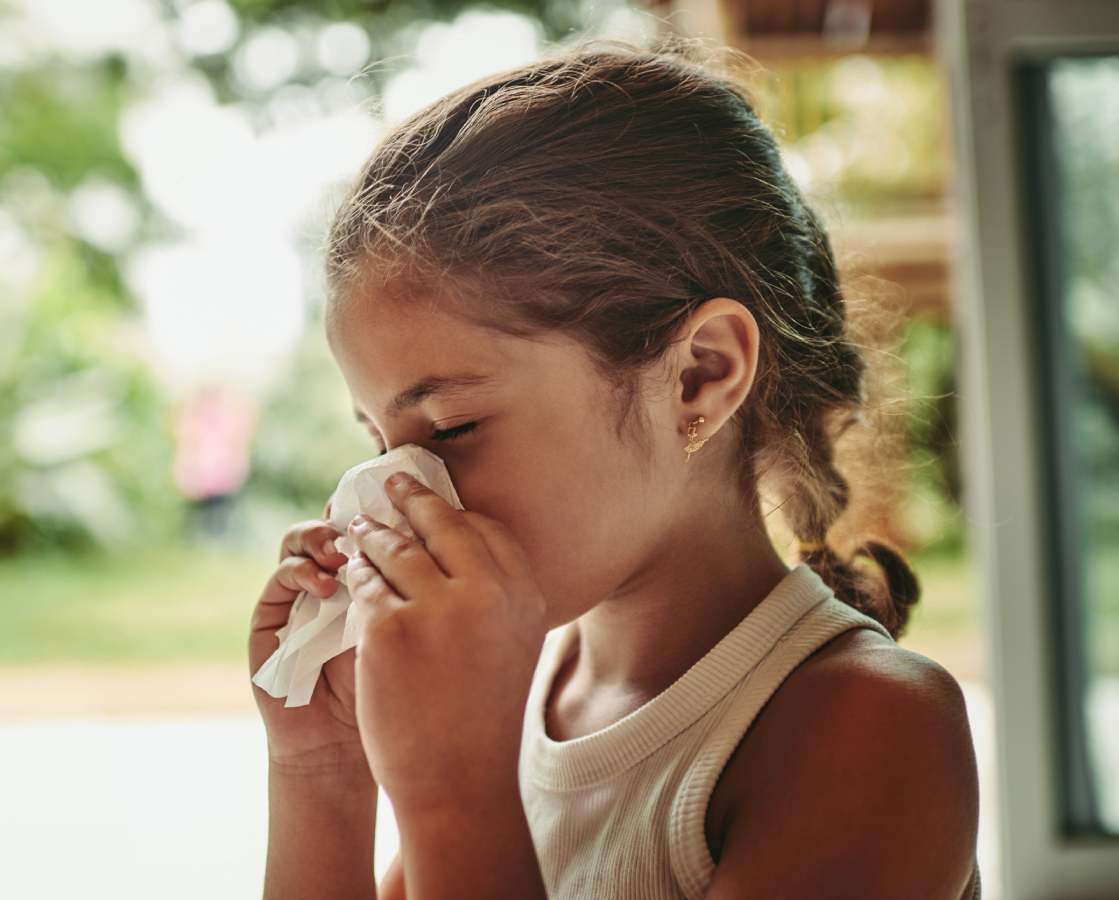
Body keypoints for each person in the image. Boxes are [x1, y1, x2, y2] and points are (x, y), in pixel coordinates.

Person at [249, 40, 981, 900]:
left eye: (451, 426)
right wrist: (325, 771)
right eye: (379, 443)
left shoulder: (873, 728)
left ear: (700, 375)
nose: (394, 493)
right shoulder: (516, 693)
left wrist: (456, 789)